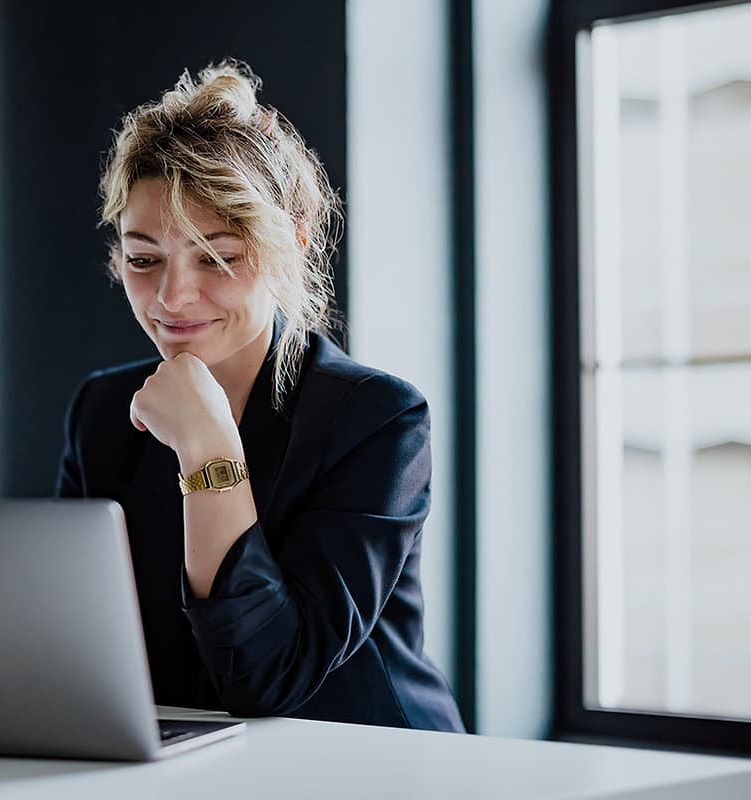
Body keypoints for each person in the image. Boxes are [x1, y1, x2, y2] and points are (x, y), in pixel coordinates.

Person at [56, 60, 464, 732]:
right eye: (143, 258)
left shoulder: (376, 419)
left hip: (368, 763)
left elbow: (271, 677)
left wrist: (206, 445)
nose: (171, 297)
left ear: (293, 246)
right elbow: (70, 639)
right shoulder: (101, 412)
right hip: (179, 763)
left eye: (216, 257)